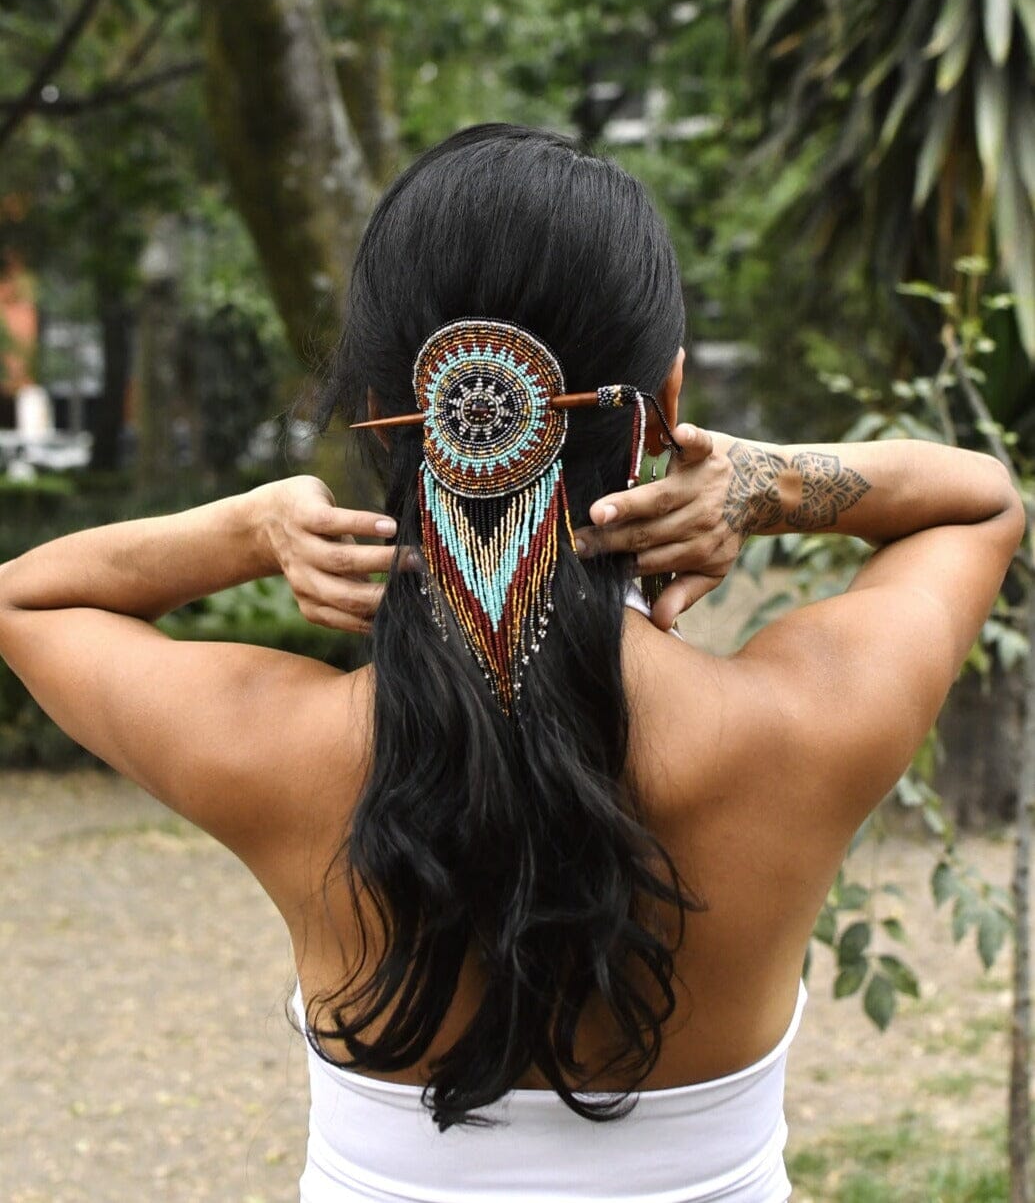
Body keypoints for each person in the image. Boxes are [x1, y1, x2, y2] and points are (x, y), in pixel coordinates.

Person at [0, 124, 1023, 1203]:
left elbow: (26, 595)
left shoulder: (283, 750)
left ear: (383, 431)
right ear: (665, 406)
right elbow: (981, 499)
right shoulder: (801, 727)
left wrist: (249, 531)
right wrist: (770, 484)